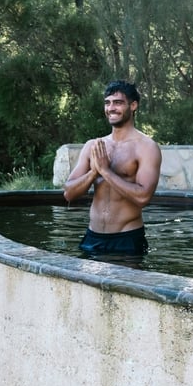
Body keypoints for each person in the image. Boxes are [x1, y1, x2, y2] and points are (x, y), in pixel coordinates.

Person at [63, 80, 162, 257]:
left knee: (124, 286)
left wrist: (106, 172)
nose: (111, 108)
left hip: (127, 239)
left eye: (118, 103)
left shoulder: (146, 147)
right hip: (92, 237)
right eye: (107, 103)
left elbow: (143, 197)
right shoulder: (93, 146)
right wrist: (94, 172)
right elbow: (69, 194)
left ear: (133, 106)